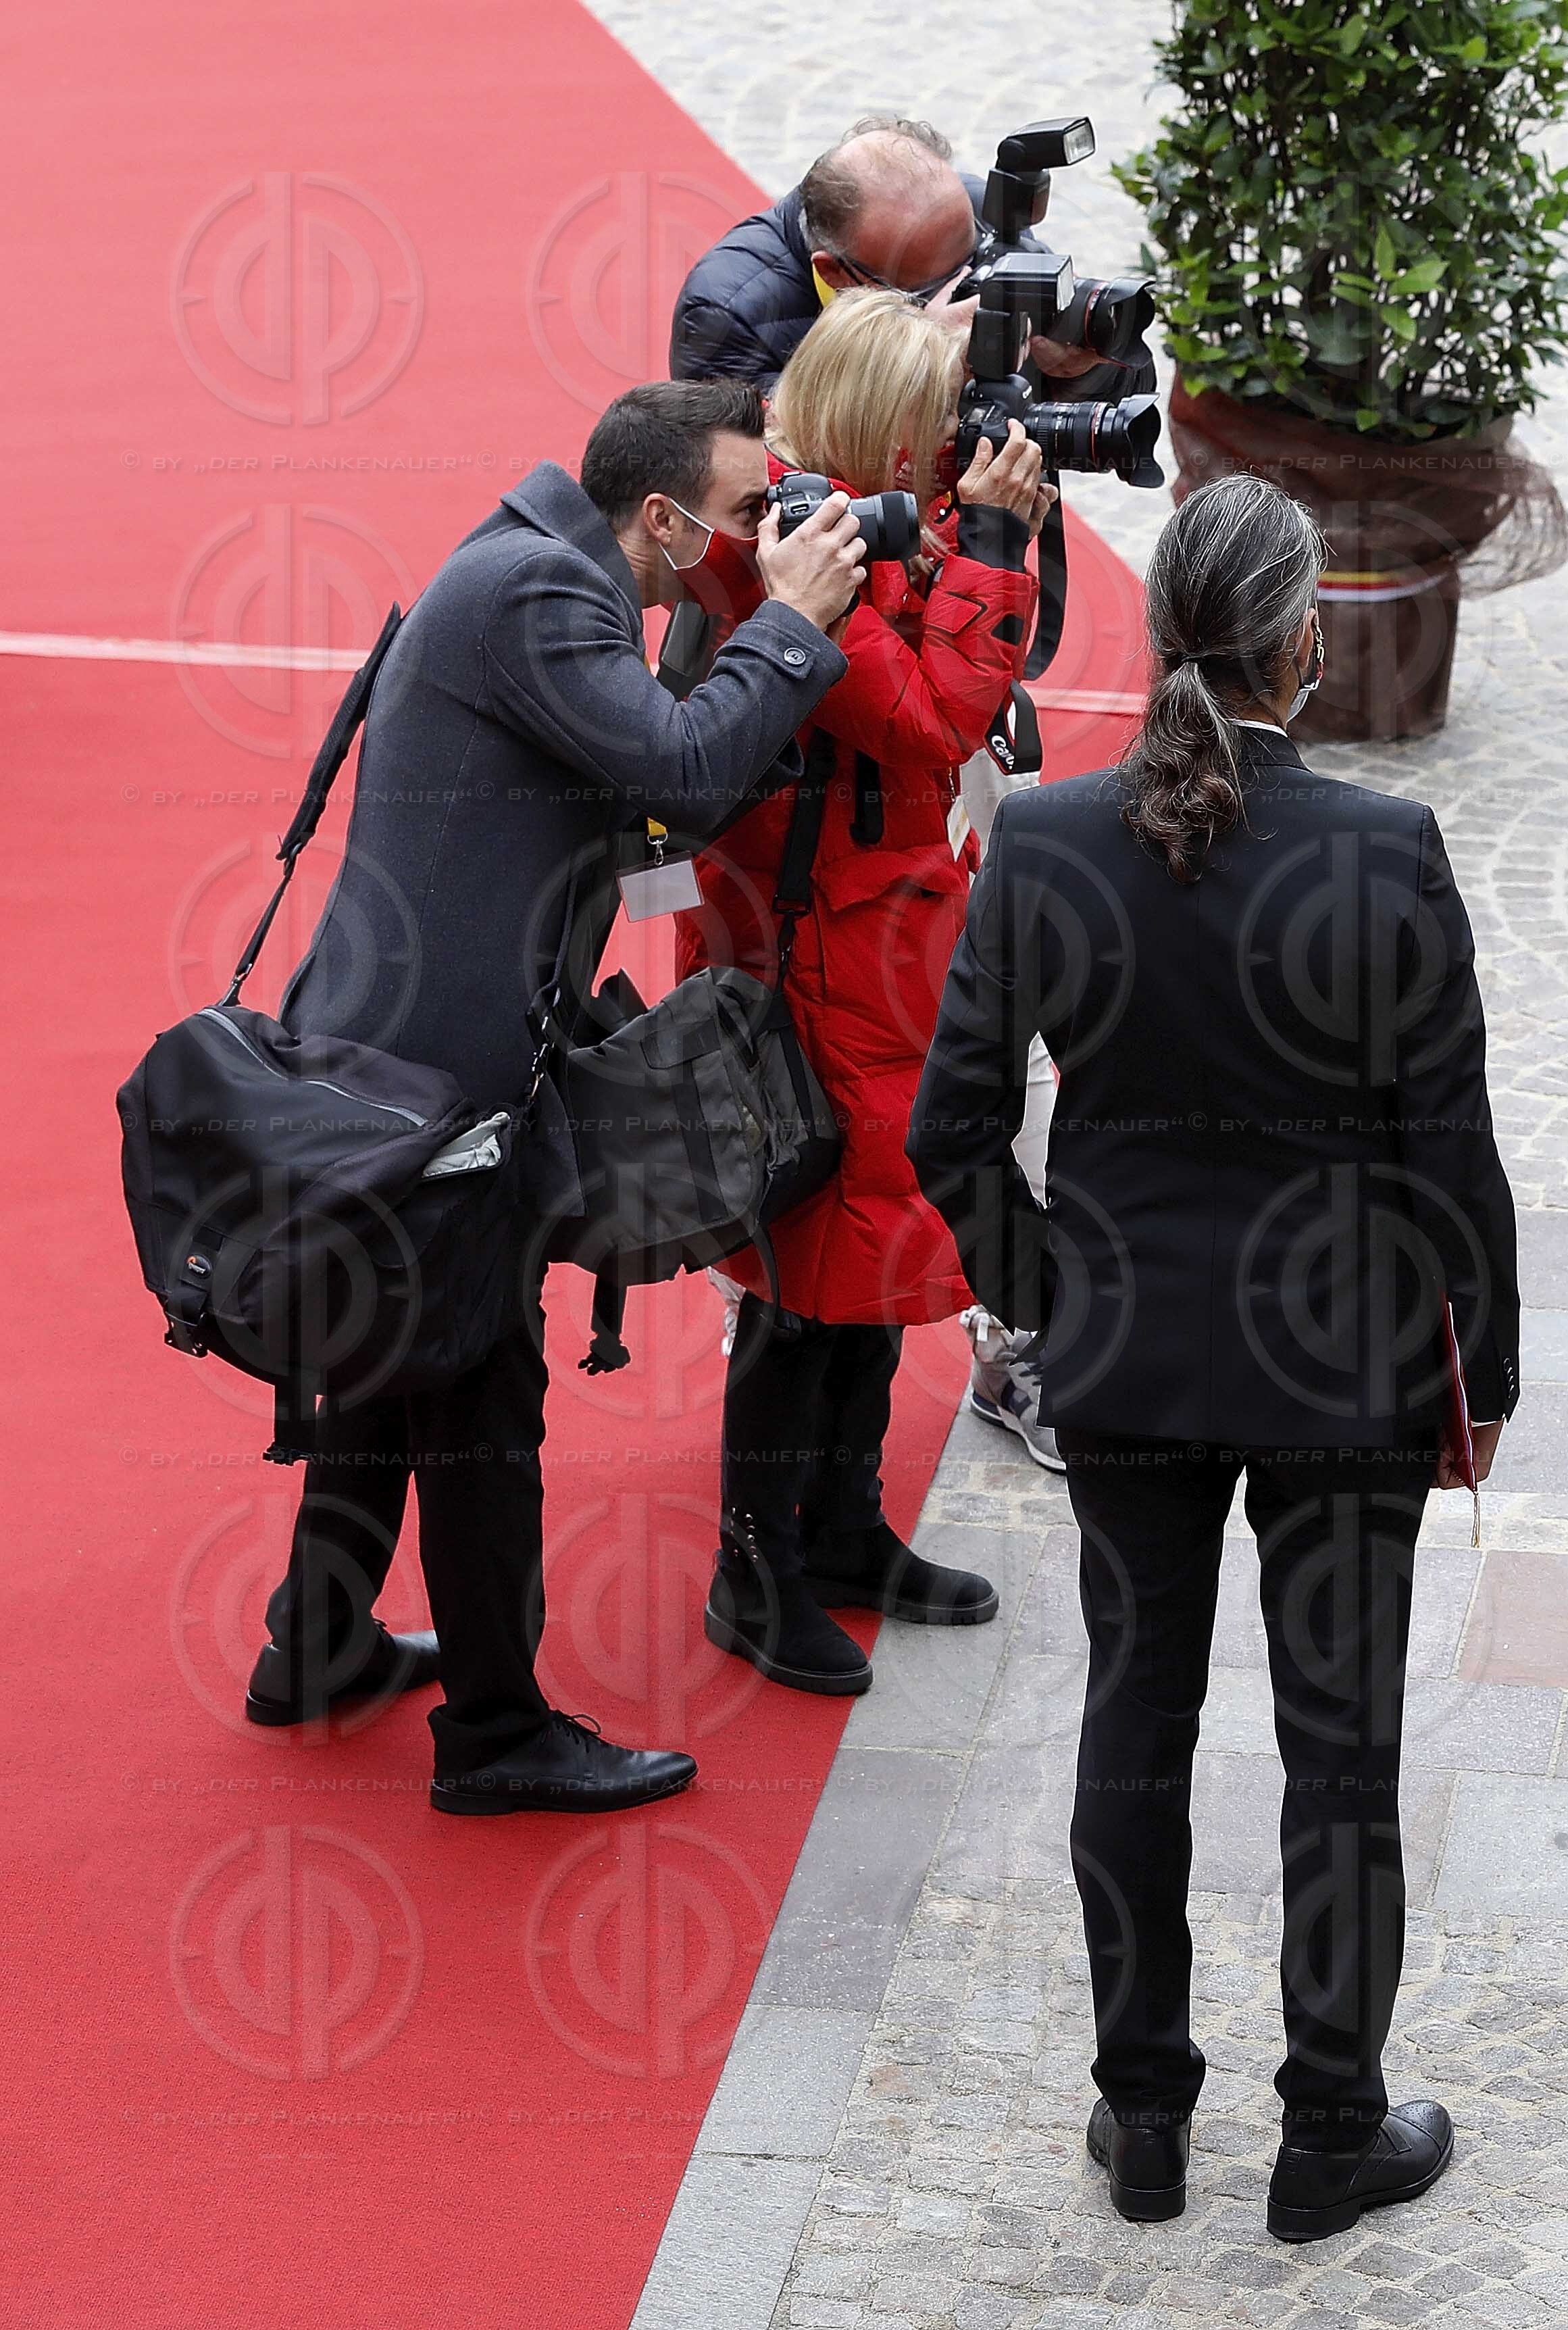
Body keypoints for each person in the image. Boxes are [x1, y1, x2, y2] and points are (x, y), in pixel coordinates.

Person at [909, 474, 1521, 2243]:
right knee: (1339, 1752)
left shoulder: (1048, 842)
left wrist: (1056, 1289)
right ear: (1302, 641)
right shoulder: (1380, 853)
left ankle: (1143, 2108)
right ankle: (1328, 2121)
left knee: (1133, 1721)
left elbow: (954, 1131)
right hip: (1339, 1380)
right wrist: (1475, 1362)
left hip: (1133, 1374)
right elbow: (1448, 1151)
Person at [246, 381, 867, 1814]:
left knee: (385, 1358)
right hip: (442, 1080)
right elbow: (683, 770)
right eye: (733, 515)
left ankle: (318, 1641)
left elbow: (640, 811)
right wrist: (789, 626)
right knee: (476, 1387)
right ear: (658, 519)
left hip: (389, 1052)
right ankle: (498, 1731)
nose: (750, 538)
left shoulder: (543, 568)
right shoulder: (542, 592)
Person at [677, 290, 1054, 1694]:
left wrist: (983, 546)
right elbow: (927, 714)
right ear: (887, 432)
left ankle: (839, 1528)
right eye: (939, 420)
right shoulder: (801, 545)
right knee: (803, 1279)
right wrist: (998, 546)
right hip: (821, 954)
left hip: (889, 942)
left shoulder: (869, 524)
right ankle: (749, 1567)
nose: (960, 441)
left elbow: (955, 681)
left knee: (886, 1254)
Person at [669, 112, 1150, 401]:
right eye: (925, 291)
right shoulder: (728, 314)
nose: (967, 286)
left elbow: (1113, 398)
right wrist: (922, 353)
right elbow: (766, 481)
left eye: (973, 261)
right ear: (835, 273)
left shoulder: (974, 210)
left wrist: (1075, 372)